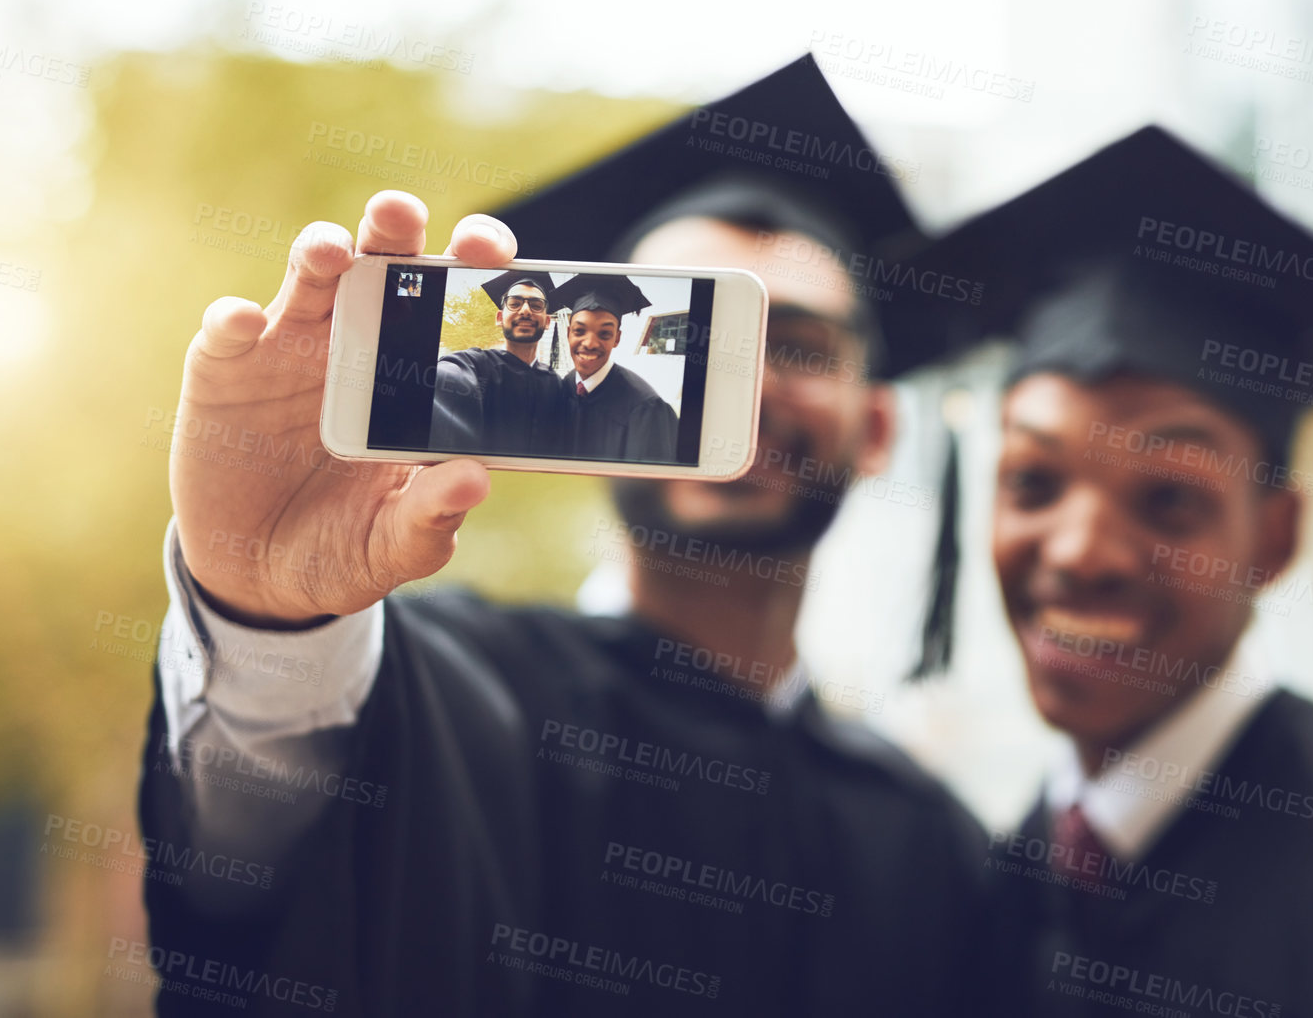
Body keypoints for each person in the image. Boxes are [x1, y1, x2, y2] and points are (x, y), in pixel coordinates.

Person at [140, 56, 1012, 1016]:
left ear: (879, 428)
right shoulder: (444, 687)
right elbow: (243, 855)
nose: (747, 386)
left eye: (797, 345)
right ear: (585, 402)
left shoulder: (933, 843)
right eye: (685, 340)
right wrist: (263, 608)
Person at [903, 125, 1313, 1016]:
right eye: (1033, 480)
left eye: (1167, 501)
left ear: (1274, 536)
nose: (1078, 550)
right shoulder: (1013, 867)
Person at [431, 269, 567, 456]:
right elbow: (447, 375)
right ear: (499, 318)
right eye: (515, 303)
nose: (525, 310)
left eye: (536, 305)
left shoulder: (554, 382)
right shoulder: (476, 365)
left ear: (547, 322)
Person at [548, 273, 679, 463]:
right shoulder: (566, 385)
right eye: (579, 330)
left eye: (604, 333)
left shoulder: (646, 409)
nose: (590, 343)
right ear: (569, 333)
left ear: (617, 338)